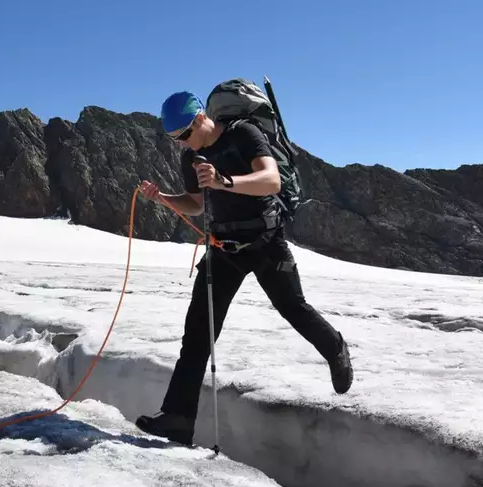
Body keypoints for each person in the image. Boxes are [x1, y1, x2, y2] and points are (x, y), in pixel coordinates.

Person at [135, 90, 353, 446]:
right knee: (198, 333)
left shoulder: (244, 134)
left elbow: (271, 179)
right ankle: (177, 418)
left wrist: (225, 182)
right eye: (175, 139)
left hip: (265, 242)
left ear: (201, 118)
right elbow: (194, 205)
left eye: (185, 135)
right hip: (223, 249)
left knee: (293, 308)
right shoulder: (192, 157)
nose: (181, 145)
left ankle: (336, 349)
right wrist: (162, 199)